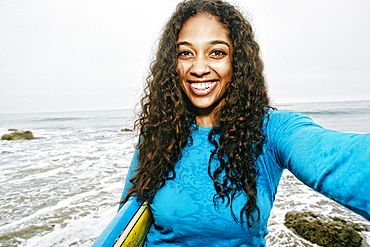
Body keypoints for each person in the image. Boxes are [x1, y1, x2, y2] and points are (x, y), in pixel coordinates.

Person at [119, 0, 370, 246]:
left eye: (216, 52)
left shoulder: (271, 131)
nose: (198, 68)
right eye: (185, 53)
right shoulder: (160, 132)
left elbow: (344, 158)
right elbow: (126, 221)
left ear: (236, 61)